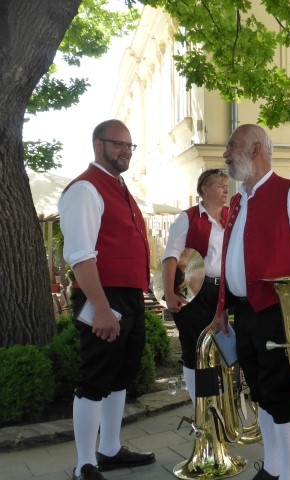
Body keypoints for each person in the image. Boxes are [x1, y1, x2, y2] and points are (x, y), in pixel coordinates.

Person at [211, 124, 290, 480]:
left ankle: (287, 474)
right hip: (246, 311)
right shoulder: (239, 200)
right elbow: (231, 257)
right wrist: (222, 309)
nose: (226, 153)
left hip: (278, 312)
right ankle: (273, 468)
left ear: (256, 149)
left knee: (280, 394)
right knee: (260, 391)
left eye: (232, 146)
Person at [58, 119, 155, 480]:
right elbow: (81, 256)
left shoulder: (118, 186)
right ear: (98, 145)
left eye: (130, 146)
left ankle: (110, 449)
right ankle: (85, 464)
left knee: (121, 373)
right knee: (96, 376)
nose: (126, 151)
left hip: (127, 295)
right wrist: (100, 308)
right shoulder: (85, 189)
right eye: (118, 144)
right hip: (102, 293)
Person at [161, 168, 229, 406]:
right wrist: (169, 293)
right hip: (192, 288)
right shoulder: (188, 218)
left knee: (222, 347)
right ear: (205, 189)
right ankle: (201, 408)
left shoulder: (231, 217)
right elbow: (170, 256)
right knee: (195, 348)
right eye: (220, 186)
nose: (226, 190)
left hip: (224, 291)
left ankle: (221, 402)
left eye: (227, 186)